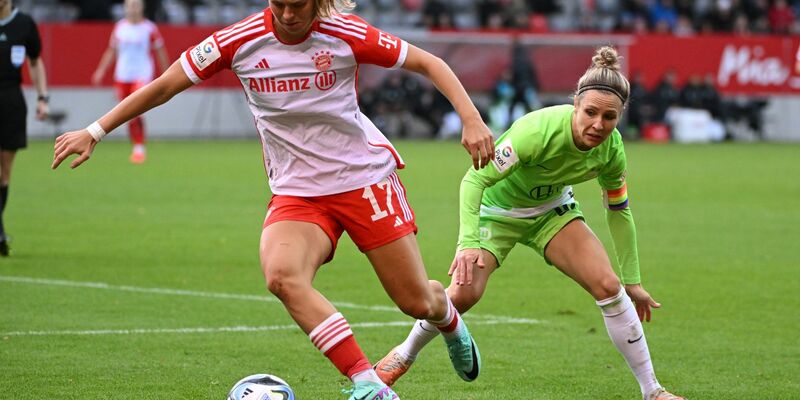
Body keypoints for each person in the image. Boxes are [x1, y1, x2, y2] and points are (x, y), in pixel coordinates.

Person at [52, 0, 495, 398]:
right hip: (298, 192)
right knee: (282, 276)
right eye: (278, 4)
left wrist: (471, 119)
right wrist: (95, 130)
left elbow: (429, 62)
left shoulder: (346, 32)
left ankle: (448, 321)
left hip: (363, 182)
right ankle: (367, 382)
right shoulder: (238, 40)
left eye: (298, 5)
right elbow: (167, 83)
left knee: (417, 301)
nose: (288, 15)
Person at [374, 46, 685, 400]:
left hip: (551, 212)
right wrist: (469, 242)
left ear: (621, 117)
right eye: (591, 113)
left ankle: (653, 391)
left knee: (609, 286)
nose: (598, 125)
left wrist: (634, 281)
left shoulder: (612, 150)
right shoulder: (537, 132)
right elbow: (474, 181)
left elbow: (619, 211)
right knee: (463, 295)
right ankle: (403, 353)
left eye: (610, 117)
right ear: (576, 105)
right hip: (499, 211)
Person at [92, 0, 169, 163]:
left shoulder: (149, 28)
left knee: (137, 110)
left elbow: (160, 51)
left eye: (136, 5)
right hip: (122, 76)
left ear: (141, 7)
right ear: (125, 8)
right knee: (126, 113)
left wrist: (166, 73)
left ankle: (139, 147)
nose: (132, 9)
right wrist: (101, 70)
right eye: (129, 6)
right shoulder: (120, 28)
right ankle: (136, 145)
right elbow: (111, 51)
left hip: (142, 75)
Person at [0, 0, 49, 256]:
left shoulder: (24, 24)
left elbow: (35, 61)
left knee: (4, 173)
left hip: (11, 102)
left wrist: (43, 98)